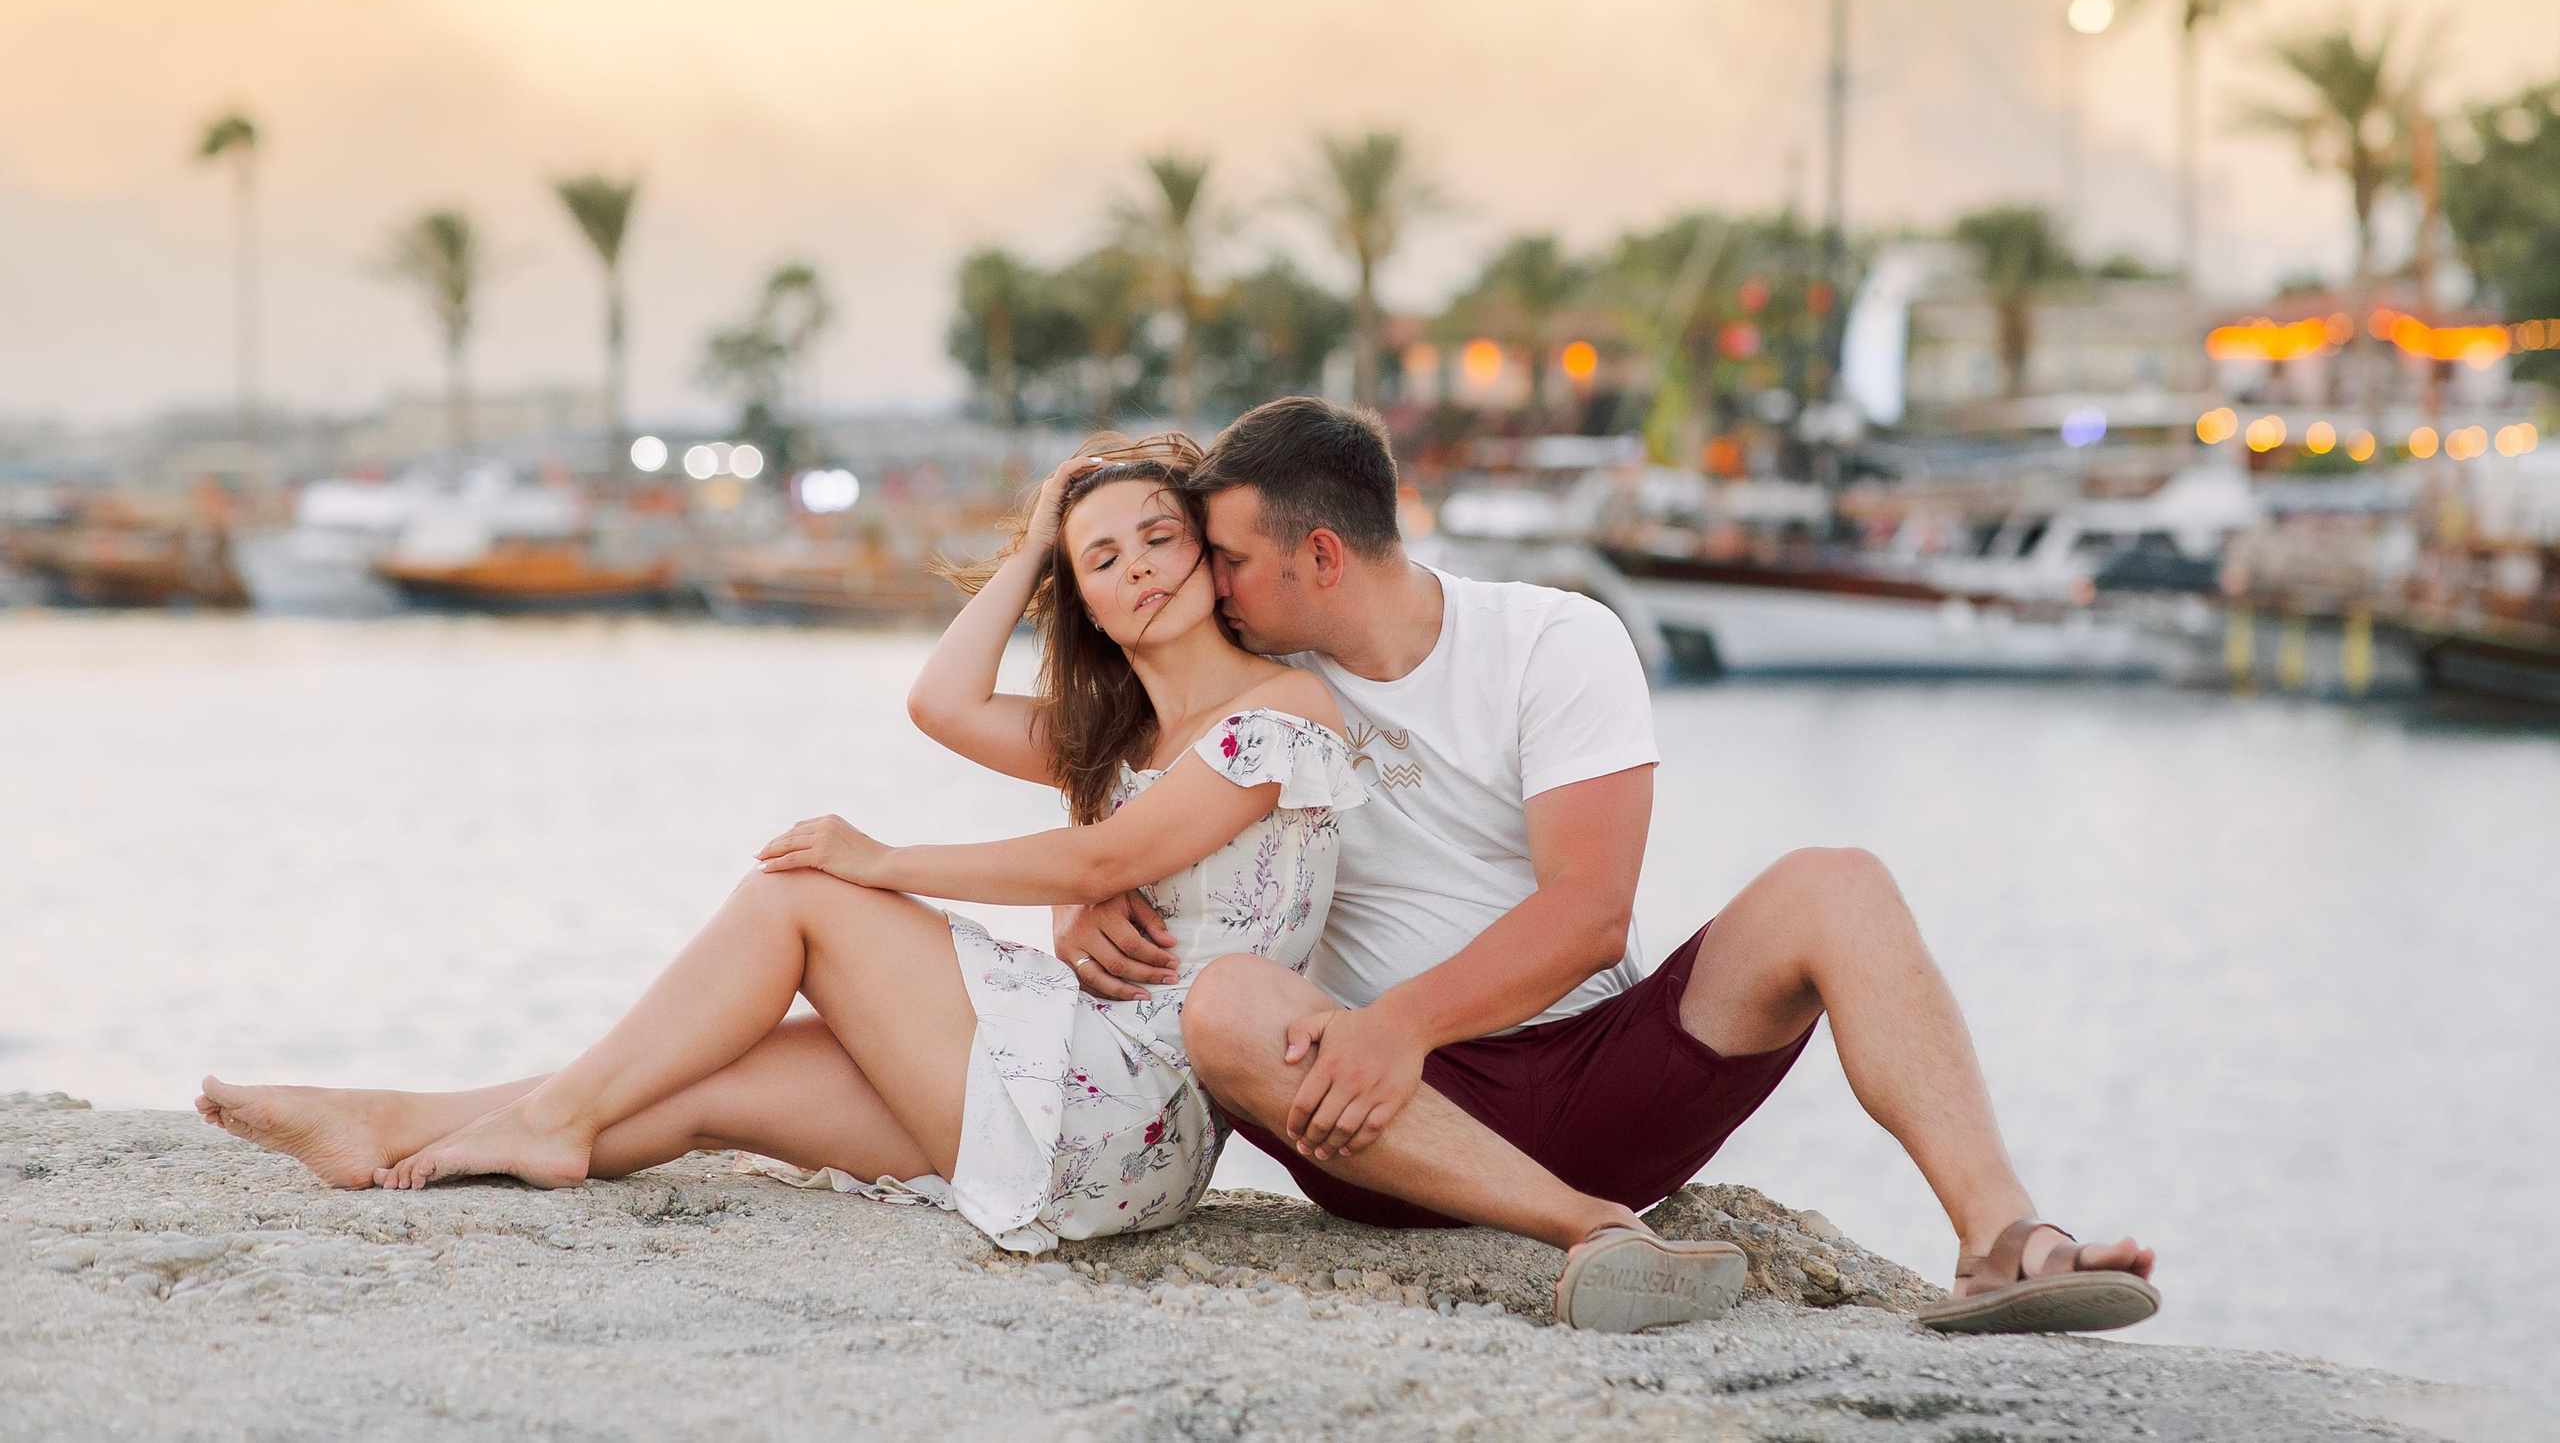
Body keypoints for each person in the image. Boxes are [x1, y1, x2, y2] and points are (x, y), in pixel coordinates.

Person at [195, 437, 1744, 1321]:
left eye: (1159, 539)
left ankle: (534, 1118)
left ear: (1214, 562)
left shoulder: (1284, 714)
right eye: (1102, 561)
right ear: (1086, 600)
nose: (1137, 568)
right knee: (725, 1079)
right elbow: (939, 699)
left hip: (1124, 1105)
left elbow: (1113, 855)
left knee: (800, 901)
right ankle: (401, 1123)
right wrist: (1029, 544)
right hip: (1071, 1080)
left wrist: (884, 860)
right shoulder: (1126, 728)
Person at [1054, 398, 2161, 1334]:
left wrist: (1403, 1024)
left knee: (1839, 882)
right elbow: (1115, 765)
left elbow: (1589, 913)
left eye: (1232, 562)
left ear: (1322, 558)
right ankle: (1592, 1234)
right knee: (1225, 1005)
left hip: (1592, 1080)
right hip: (1385, 1122)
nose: (1211, 586)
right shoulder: (1250, 685)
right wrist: (1084, 887)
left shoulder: (1552, 640)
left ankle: (2001, 1238)